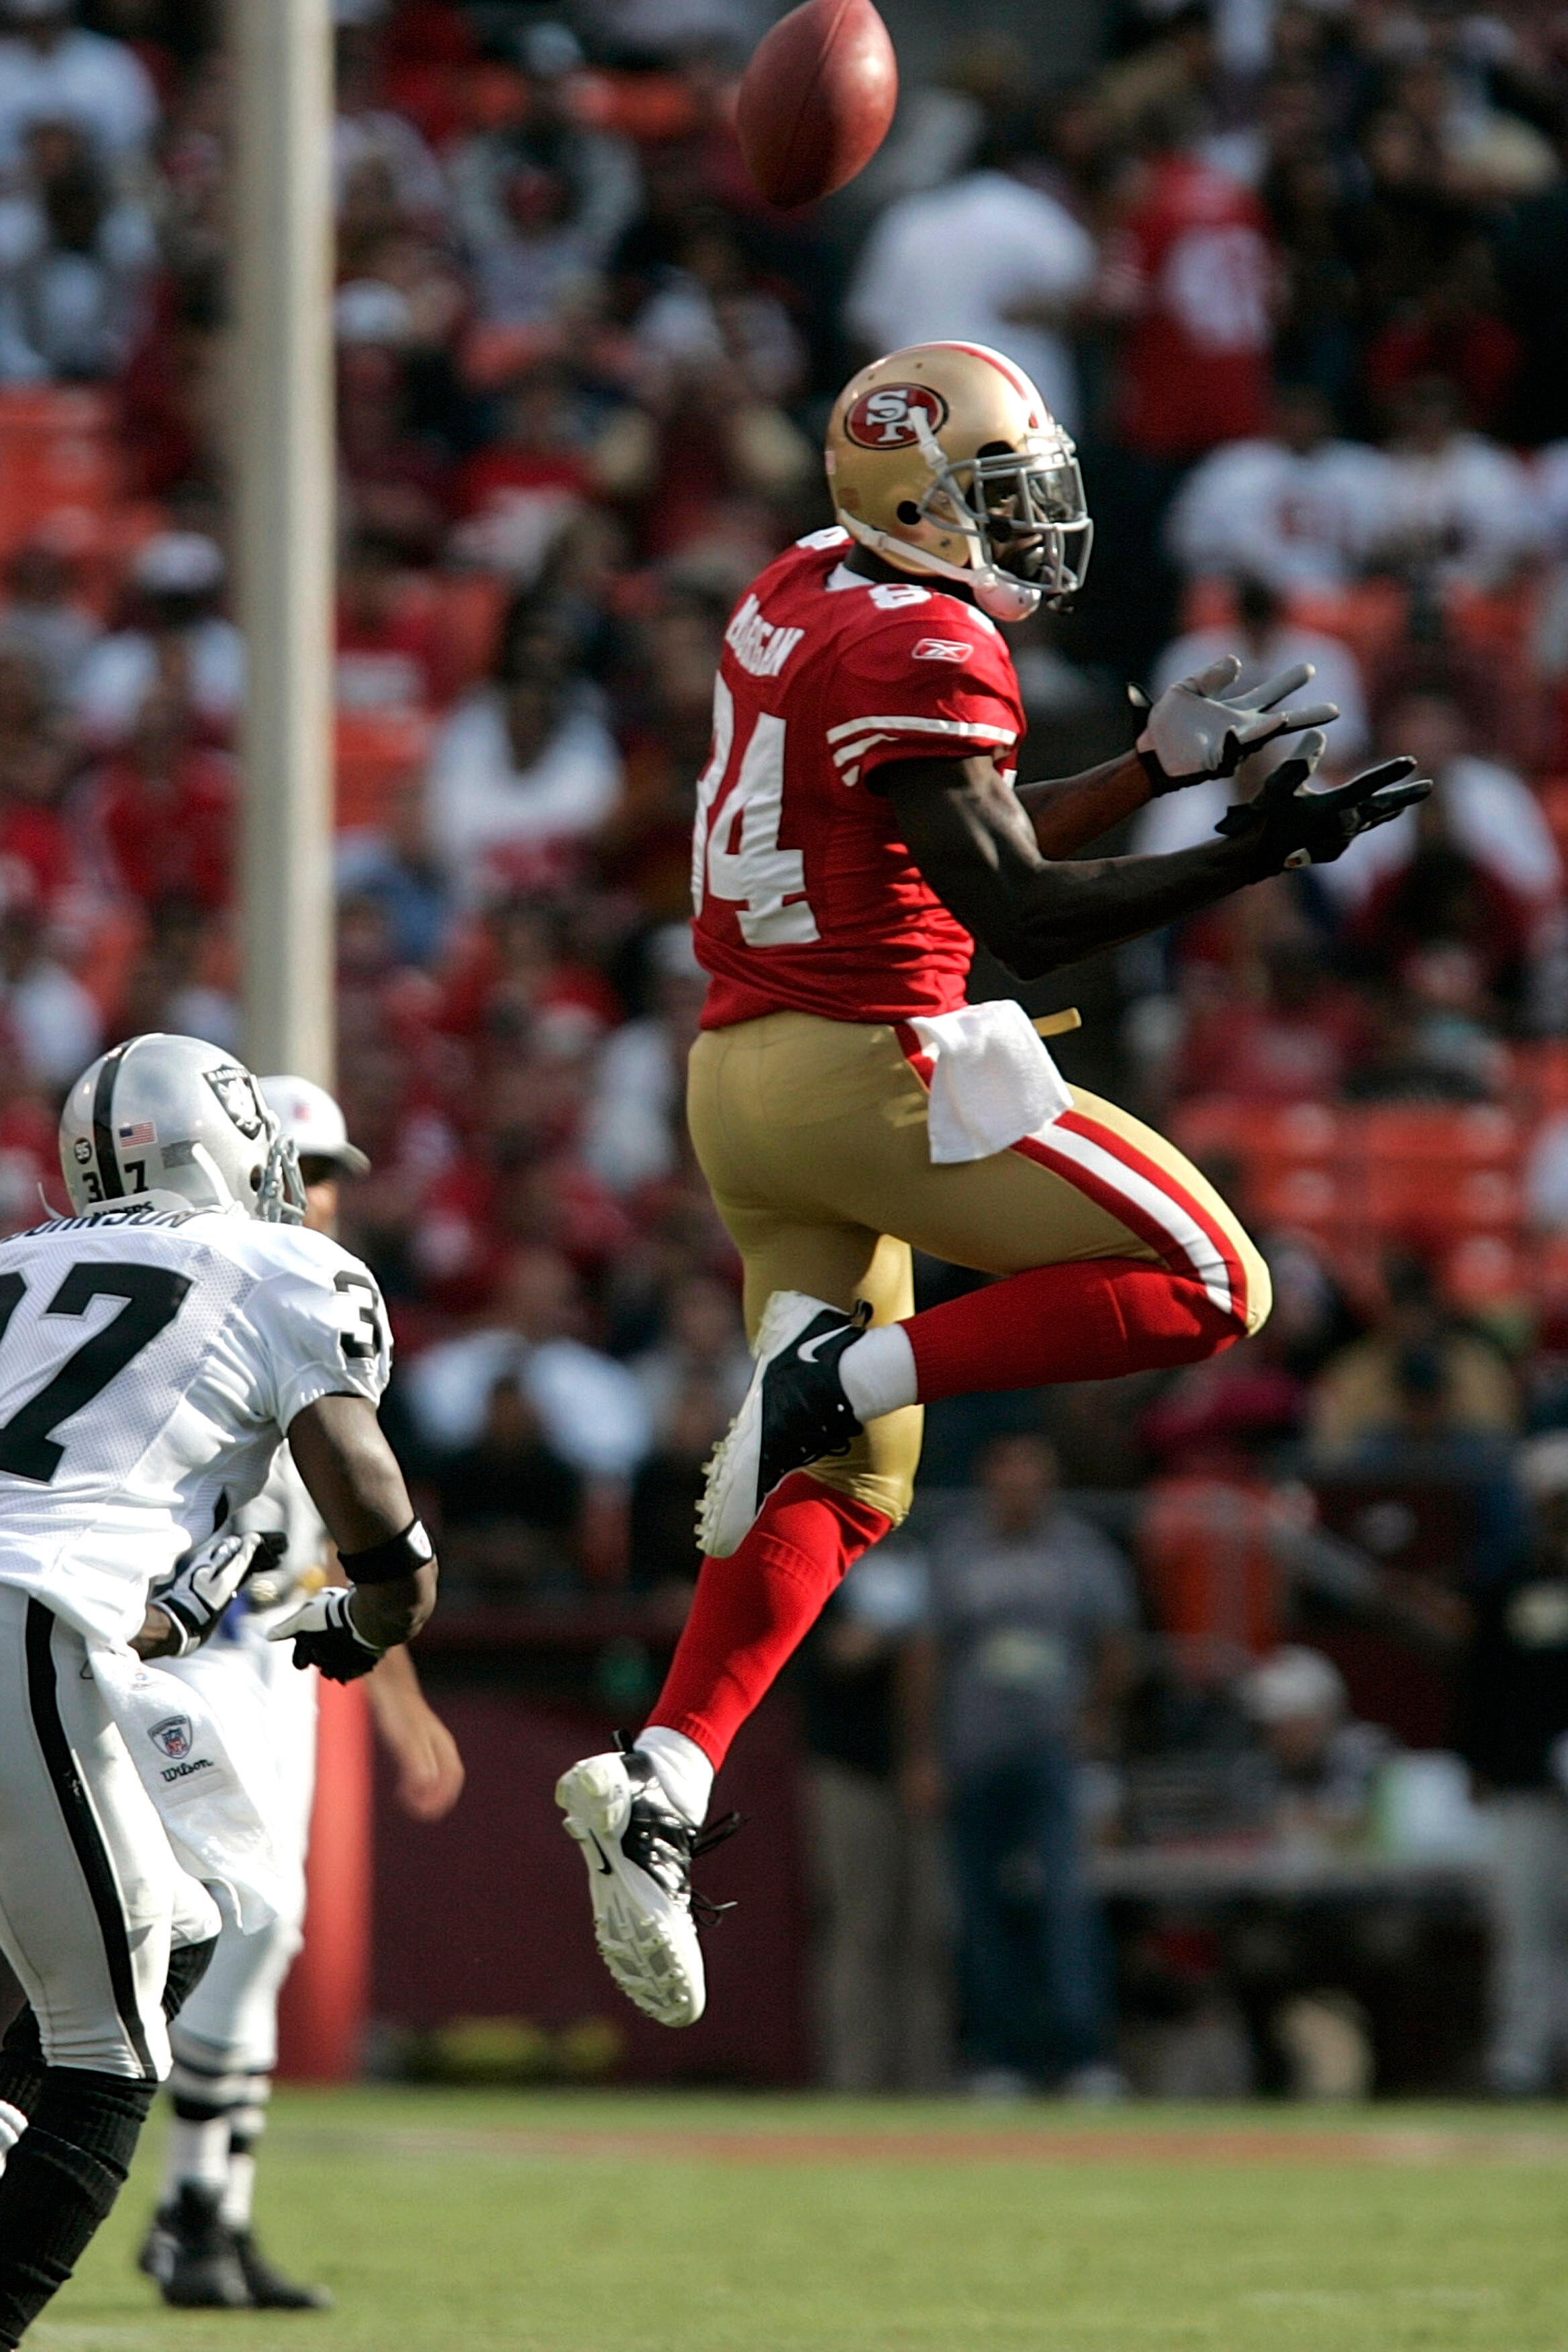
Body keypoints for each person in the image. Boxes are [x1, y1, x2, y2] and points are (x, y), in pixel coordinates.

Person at [554, 337, 1428, 2030]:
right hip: (872, 1070)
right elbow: (1013, 916)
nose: (1028, 528)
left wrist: (1153, 778)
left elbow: (955, 830)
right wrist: (1241, 855)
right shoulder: (926, 635)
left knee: (853, 1490)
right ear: (912, 501)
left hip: (741, 1084)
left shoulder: (804, 585)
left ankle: (661, 1772)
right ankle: (840, 1370)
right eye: (995, 498)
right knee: (1211, 1278)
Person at [0, 1033, 436, 2349]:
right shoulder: (282, 1263)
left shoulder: (18, 1265)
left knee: (183, 1923)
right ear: (235, 1141)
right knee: (108, 2050)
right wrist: (392, 1603)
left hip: (51, 1627)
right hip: (27, 1622)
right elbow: (364, 1492)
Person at [137, 1075, 464, 2310]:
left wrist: (399, 1690)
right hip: (187, 1643)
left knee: (269, 1932)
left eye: (335, 1169)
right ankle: (171, 2200)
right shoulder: (229, 1299)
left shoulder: (306, 1303)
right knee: (242, 1911)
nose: (326, 1192)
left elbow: (346, 1539)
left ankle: (206, 2212)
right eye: (308, 1163)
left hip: (282, 1641)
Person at [910, 1435, 1135, 2097]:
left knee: (1065, 1907)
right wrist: (922, 1755)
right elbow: (923, 1658)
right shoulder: (957, 1550)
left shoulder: (1080, 1552)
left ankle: (1082, 2055)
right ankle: (997, 2057)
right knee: (980, 1912)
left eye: (1030, 1473)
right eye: (1006, 1473)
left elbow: (1116, 1646)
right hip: (972, 1754)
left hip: (1052, 1756)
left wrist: (1093, 1721)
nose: (1018, 1486)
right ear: (988, 1480)